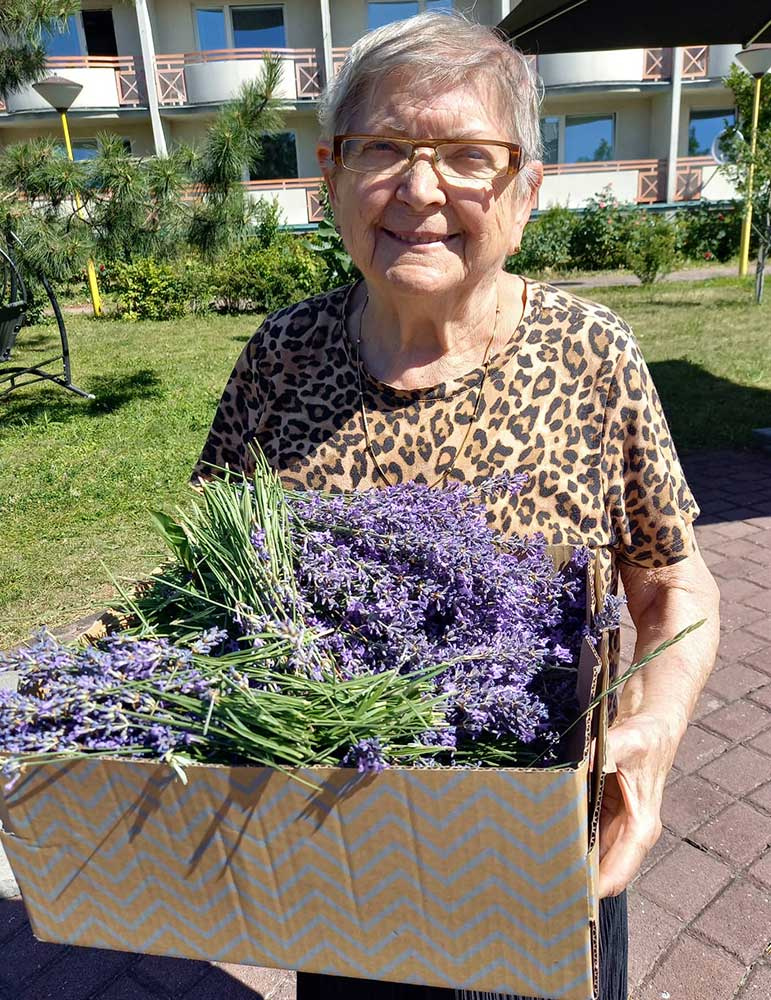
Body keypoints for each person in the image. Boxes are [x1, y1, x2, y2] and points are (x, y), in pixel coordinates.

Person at [193, 13, 720, 1000]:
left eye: (468, 156)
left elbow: (672, 585)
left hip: (534, 857)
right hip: (339, 859)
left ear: (526, 189)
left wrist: (652, 731)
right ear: (332, 174)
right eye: (383, 148)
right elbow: (211, 573)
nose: (421, 189)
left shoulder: (589, 355)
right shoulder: (282, 356)